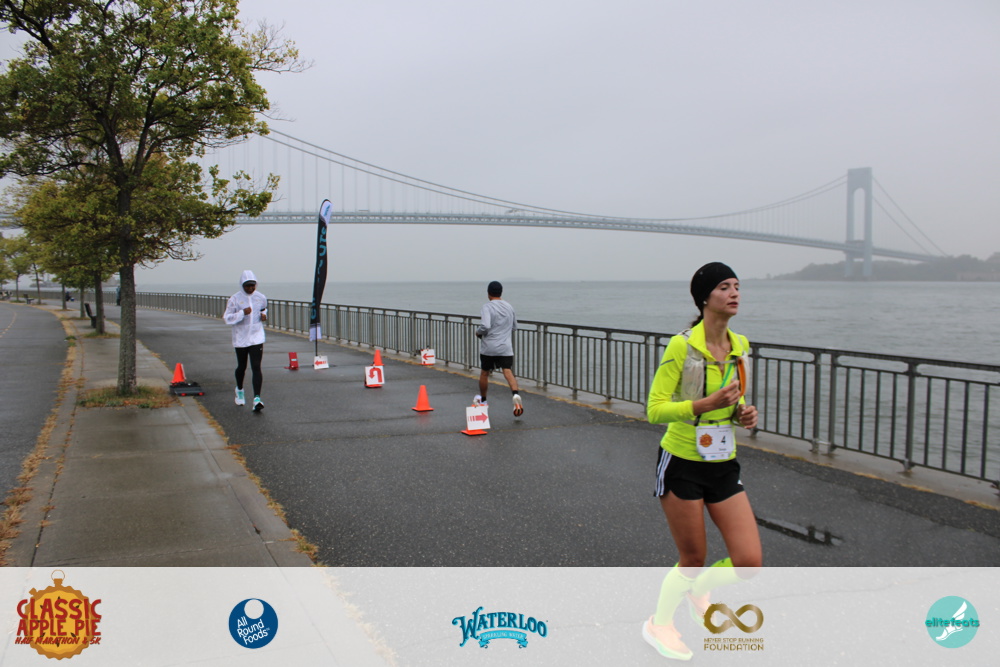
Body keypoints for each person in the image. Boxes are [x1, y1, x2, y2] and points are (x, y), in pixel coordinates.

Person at [641, 262, 761, 660]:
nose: (734, 292)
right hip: (682, 462)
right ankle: (659, 624)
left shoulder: (740, 345)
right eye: (724, 286)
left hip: (724, 461)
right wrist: (702, 405)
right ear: (704, 298)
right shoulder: (682, 346)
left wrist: (743, 414)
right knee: (692, 559)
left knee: (748, 562)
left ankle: (698, 591)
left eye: (737, 286)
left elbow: (735, 401)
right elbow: (654, 409)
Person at [474, 280, 524, 416]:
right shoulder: (509, 306)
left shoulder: (487, 307)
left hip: (489, 347)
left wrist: (478, 332)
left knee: (484, 373)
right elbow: (514, 327)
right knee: (507, 371)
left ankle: (483, 400)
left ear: (488, 293)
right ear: (501, 292)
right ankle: (515, 394)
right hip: (505, 347)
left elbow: (485, 326)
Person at [223, 270, 268, 412]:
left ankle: (257, 399)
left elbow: (264, 309)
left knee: (256, 367)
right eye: (247, 285)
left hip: (256, 336)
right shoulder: (235, 299)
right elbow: (227, 318)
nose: (250, 288)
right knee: (242, 366)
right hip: (241, 338)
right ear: (242, 285)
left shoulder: (260, 297)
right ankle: (240, 389)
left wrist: (264, 315)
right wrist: (242, 313)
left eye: (252, 285)